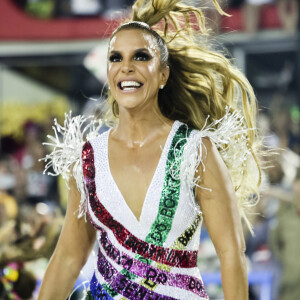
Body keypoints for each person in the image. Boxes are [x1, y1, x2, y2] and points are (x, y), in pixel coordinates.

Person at [38, 0, 261, 299]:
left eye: (140, 56)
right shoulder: (88, 160)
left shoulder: (196, 150)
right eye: (116, 58)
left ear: (163, 75)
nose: (126, 66)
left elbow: (232, 252)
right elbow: (68, 258)